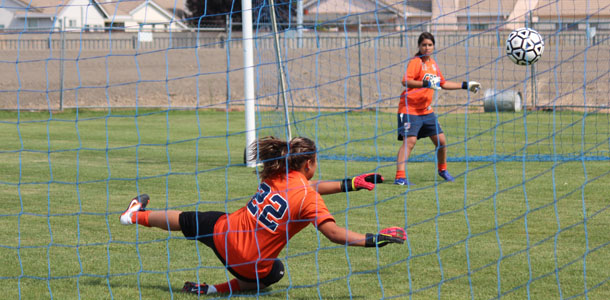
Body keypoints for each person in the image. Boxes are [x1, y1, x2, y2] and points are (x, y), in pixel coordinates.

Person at [120, 136, 405, 295]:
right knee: (276, 270)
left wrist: (350, 184)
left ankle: (134, 216)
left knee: (183, 220)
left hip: (223, 235)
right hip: (247, 267)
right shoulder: (309, 198)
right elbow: (332, 233)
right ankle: (215, 290)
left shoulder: (276, 174)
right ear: (309, 163)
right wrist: (373, 239)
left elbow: (308, 187)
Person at [394, 32, 481, 185]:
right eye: (424, 45)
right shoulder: (416, 62)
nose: (427, 48)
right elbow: (405, 81)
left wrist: (465, 85)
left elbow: (442, 83)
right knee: (410, 141)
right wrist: (425, 83)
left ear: (434, 46)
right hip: (410, 109)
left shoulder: (433, 64)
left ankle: (442, 170)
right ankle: (400, 177)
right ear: (419, 47)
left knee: (441, 141)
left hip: (426, 110)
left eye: (430, 45)